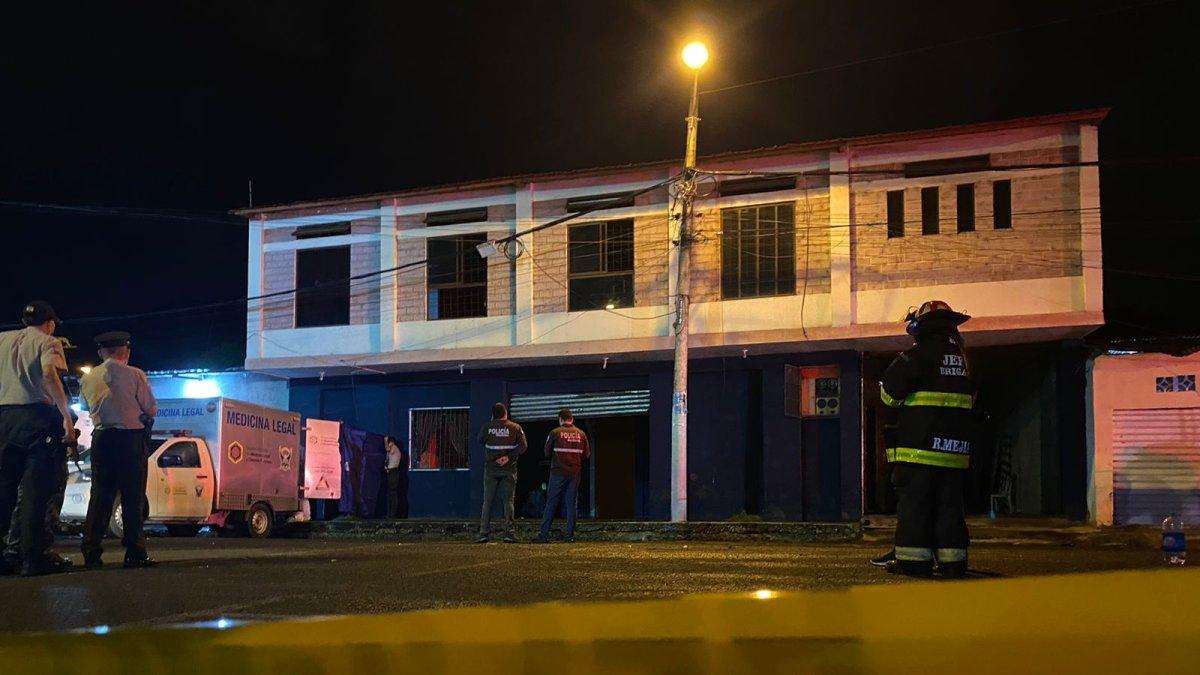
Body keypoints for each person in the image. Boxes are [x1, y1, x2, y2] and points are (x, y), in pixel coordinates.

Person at [879, 300, 977, 579]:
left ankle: (913, 563)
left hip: (918, 452)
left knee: (915, 506)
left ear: (920, 326)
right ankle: (953, 564)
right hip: (955, 453)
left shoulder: (914, 357)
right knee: (950, 508)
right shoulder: (965, 360)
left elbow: (889, 397)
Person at [0, 301, 75, 576]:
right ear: (50, 323)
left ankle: (3, 557)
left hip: (5, 418)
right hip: (38, 418)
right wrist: (65, 416)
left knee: (4, 491)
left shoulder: (3, 339)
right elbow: (48, 374)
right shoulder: (49, 342)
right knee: (35, 492)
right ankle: (32, 559)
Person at [79, 331, 158, 569]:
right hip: (130, 440)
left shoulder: (89, 377)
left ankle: (91, 551)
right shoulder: (135, 375)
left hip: (102, 439)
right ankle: (134, 552)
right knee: (132, 497)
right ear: (127, 352)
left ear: (101, 352)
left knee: (100, 496)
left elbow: (84, 406)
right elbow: (151, 408)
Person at [534, 408, 589, 544]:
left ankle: (543, 535)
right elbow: (587, 455)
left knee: (551, 503)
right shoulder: (581, 434)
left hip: (557, 472)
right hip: (574, 473)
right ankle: (569, 536)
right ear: (572, 419)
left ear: (560, 419)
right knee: (571, 504)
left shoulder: (555, 432)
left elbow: (546, 452)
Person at [475, 403, 527, 543]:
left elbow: (479, 440)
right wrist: (508, 457)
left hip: (491, 468)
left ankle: (483, 533)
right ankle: (509, 533)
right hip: (509, 468)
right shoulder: (515, 427)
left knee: (487, 501)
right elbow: (523, 446)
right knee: (508, 501)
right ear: (506, 413)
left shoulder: (487, 427)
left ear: (493, 414)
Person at [384, 436, 404, 518]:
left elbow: (388, 450)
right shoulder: (392, 449)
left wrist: (385, 441)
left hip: (393, 472)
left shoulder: (394, 447)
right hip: (390, 472)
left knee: (392, 493)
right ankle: (390, 513)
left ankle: (392, 514)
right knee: (390, 493)